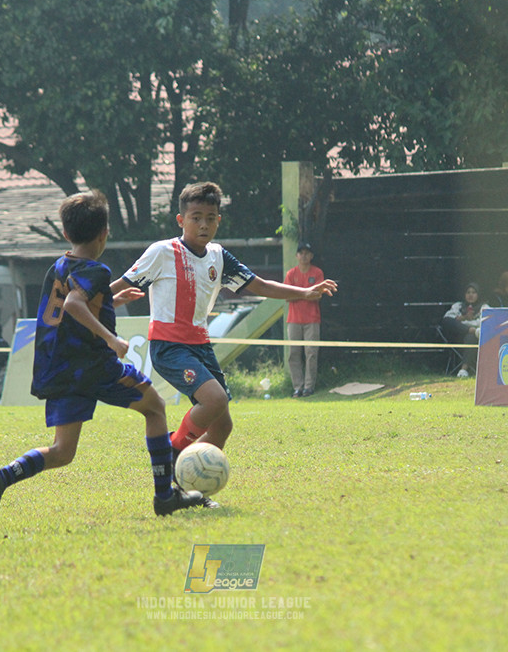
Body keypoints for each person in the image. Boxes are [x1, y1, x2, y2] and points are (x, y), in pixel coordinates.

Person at [0, 190, 204, 528]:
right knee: (155, 407)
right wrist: (111, 338)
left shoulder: (59, 266)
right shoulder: (97, 270)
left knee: (63, 452)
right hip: (94, 366)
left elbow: (74, 299)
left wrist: (112, 298)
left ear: (66, 234)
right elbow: (74, 305)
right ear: (104, 234)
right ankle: (165, 497)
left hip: (60, 368)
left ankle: (1, 477)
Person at [110, 181, 338, 506]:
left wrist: (303, 293)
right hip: (169, 346)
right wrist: (92, 301)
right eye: (196, 217)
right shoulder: (163, 252)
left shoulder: (219, 256)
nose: (203, 224)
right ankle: (171, 455)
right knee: (214, 400)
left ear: (219, 221)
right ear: (180, 220)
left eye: (211, 217)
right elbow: (119, 285)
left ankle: (191, 492)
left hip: (201, 347)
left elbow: (258, 285)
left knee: (223, 426)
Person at [284, 242, 324, 397]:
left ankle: (309, 387)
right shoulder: (291, 274)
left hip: (312, 319)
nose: (304, 256)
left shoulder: (317, 273)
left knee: (311, 353)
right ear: (297, 256)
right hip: (294, 319)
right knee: (293, 353)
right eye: (301, 253)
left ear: (311, 256)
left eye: (307, 253)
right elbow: (287, 296)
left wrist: (298, 294)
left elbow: (318, 295)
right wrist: (306, 294)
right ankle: (297, 387)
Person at [440, 282, 488, 378]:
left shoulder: (484, 307)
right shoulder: (458, 305)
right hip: (456, 335)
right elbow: (448, 319)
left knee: (472, 336)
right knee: (446, 321)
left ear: (478, 294)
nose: (470, 295)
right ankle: (471, 330)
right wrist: (464, 317)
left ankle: (463, 370)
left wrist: (464, 322)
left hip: (475, 338)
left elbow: (484, 323)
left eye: (474, 292)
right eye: (468, 292)